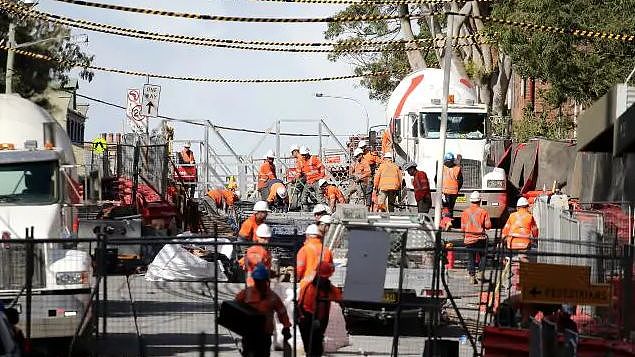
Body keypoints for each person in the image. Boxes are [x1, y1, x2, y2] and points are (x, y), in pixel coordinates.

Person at [235, 263, 291, 357]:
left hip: (265, 334)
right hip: (250, 333)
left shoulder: (272, 297)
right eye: (257, 280)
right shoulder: (246, 294)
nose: (259, 283)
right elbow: (235, 307)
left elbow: (282, 312)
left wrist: (286, 326)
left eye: (261, 281)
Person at [298, 261, 343, 357]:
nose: (325, 279)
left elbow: (339, 297)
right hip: (307, 320)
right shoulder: (309, 289)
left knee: (317, 349)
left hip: (320, 321)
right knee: (312, 349)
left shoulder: (328, 288)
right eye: (323, 277)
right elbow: (304, 308)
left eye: (326, 277)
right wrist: (313, 321)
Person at [461, 191, 492, 284]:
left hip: (469, 239)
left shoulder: (465, 212)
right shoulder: (483, 212)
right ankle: (481, 274)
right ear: (480, 201)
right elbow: (488, 226)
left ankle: (472, 277)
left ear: (471, 201)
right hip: (480, 238)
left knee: (471, 258)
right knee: (483, 256)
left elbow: (462, 228)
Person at [358, 140, 382, 206]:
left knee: (368, 194)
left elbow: (380, 162)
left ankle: (368, 208)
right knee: (362, 195)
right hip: (361, 178)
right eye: (361, 148)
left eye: (363, 147)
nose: (362, 149)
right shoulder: (359, 155)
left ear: (365, 147)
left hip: (369, 177)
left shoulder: (372, 155)